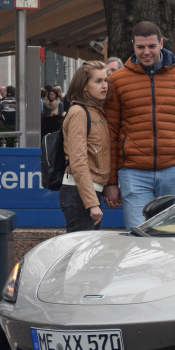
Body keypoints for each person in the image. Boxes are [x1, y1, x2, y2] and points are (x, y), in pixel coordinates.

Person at [103, 21, 175, 230]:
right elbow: (110, 133)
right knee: (140, 236)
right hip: (133, 172)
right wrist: (112, 181)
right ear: (133, 46)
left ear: (161, 43)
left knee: (173, 236)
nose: (146, 52)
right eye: (140, 47)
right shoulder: (118, 81)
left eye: (151, 46)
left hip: (173, 169)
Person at [59, 61, 116, 231]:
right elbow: (78, 161)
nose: (104, 85)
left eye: (105, 80)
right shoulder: (79, 112)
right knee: (79, 253)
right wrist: (91, 203)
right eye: (98, 81)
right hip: (79, 194)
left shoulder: (96, 110)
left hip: (88, 192)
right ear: (84, 86)